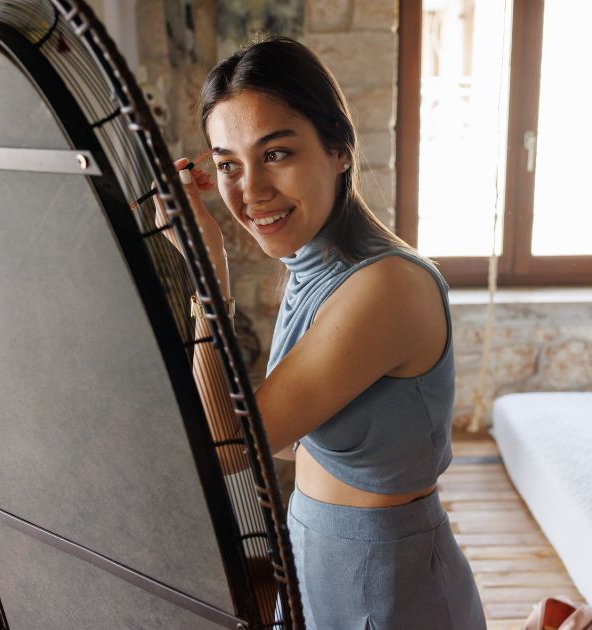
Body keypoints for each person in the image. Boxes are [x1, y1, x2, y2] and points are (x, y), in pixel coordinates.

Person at [156, 35, 486, 629]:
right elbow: (292, 440)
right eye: (228, 163)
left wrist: (206, 277)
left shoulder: (384, 286)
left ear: (338, 149)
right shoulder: (316, 267)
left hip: (388, 588)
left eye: (276, 153)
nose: (250, 190)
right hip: (316, 560)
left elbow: (228, 450)